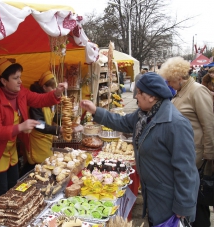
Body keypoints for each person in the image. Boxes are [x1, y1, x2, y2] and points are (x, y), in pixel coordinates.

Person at [80, 72, 199, 226]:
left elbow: (187, 169)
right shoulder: (143, 115)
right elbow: (121, 122)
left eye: (139, 92)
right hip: (154, 193)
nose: (135, 96)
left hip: (168, 198)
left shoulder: (176, 124)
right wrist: (95, 111)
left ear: (152, 97)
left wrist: (184, 206)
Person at [0, 58, 67, 202]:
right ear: (4, 81)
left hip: (11, 150)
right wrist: (20, 127)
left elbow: (39, 99)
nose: (20, 81)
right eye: (15, 78)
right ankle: (0, 221)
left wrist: (56, 93)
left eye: (20, 77)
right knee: (1, 190)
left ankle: (14, 216)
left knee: (14, 185)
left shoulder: (21, 92)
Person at [159, 56, 214, 227]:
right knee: (193, 198)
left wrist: (209, 156)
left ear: (178, 77)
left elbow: (209, 123)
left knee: (197, 199)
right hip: (187, 153)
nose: (169, 83)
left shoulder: (197, 91)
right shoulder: (181, 92)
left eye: (170, 80)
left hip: (197, 156)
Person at [24, 71, 61, 172]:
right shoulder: (35, 102)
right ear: (44, 87)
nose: (54, 90)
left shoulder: (49, 100)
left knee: (44, 165)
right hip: (37, 141)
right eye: (52, 88)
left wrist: (65, 119)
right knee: (37, 165)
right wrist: (58, 130)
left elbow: (52, 116)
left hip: (46, 139)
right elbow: (39, 125)